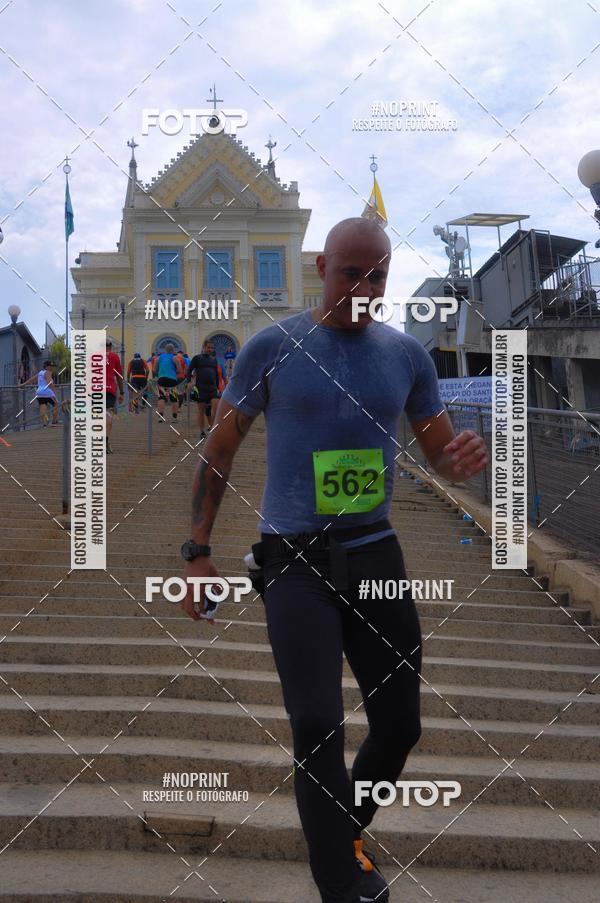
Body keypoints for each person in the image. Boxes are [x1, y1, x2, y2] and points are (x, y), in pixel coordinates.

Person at [181, 217, 488, 903]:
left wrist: (460, 459)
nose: (364, 288)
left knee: (400, 725)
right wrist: (198, 552)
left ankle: (341, 832)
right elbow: (220, 449)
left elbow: (438, 453)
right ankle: (342, 883)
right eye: (351, 273)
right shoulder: (272, 347)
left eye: (378, 276)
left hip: (375, 551)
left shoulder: (405, 357)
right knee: (317, 723)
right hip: (294, 561)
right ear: (321, 267)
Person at [186, 340, 219, 439]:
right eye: (208, 347)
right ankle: (202, 431)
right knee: (201, 410)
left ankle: (213, 428)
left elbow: (216, 374)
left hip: (212, 387)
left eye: (212, 348)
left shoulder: (214, 360)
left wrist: (217, 386)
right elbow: (189, 370)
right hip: (201, 388)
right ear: (203, 347)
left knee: (216, 409)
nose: (210, 349)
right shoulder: (197, 358)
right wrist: (189, 381)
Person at [153, 343, 184, 422]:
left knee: (161, 398)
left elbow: (154, 370)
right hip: (172, 380)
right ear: (173, 350)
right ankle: (174, 418)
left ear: (165, 350)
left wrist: (160, 372)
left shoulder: (159, 358)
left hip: (161, 379)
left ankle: (160, 417)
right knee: (174, 399)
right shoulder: (175, 358)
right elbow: (179, 370)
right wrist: (173, 371)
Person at [24, 360, 59, 427]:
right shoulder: (48, 372)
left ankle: (45, 424)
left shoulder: (40, 372)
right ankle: (54, 421)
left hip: (39, 392)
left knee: (42, 407)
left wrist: (23, 384)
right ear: (47, 367)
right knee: (56, 404)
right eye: (50, 366)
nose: (51, 368)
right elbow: (49, 383)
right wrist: (55, 391)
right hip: (47, 391)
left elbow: (31, 380)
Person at [105, 339, 124, 453]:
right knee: (108, 415)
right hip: (109, 390)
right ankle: (105, 441)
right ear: (111, 347)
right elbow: (119, 376)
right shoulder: (115, 357)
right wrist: (122, 393)